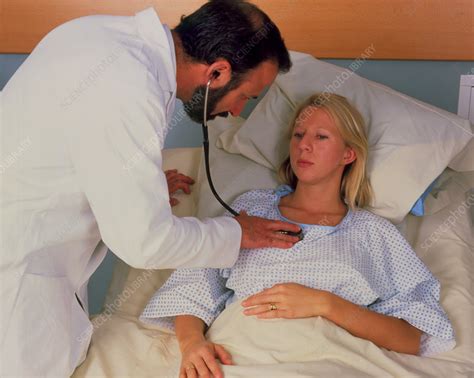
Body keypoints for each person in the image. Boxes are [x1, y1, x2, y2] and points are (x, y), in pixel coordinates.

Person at [0, 1, 302, 375]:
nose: (238, 112)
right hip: (16, 288)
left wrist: (139, 185)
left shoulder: (96, 35)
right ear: (218, 72)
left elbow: (69, 147)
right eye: (246, 97)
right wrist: (236, 233)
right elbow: (144, 242)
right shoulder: (128, 86)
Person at [140, 93, 456, 378]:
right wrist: (193, 343)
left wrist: (326, 304)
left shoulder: (373, 232)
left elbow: (412, 338)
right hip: (241, 355)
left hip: (332, 361)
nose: (303, 145)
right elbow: (192, 285)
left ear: (348, 154)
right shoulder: (251, 210)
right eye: (298, 135)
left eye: (321, 137)